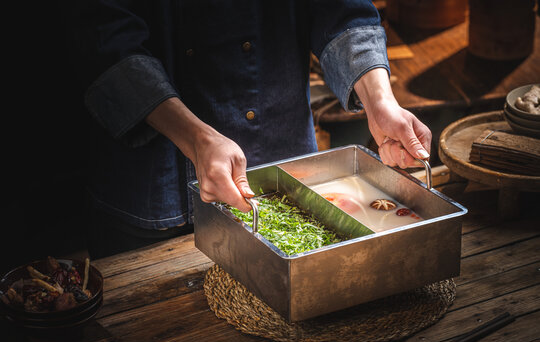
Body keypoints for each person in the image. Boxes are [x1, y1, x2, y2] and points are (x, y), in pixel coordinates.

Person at [64, 0, 431, 258]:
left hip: (282, 160)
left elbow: (341, 9)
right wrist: (195, 137)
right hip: (152, 185)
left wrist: (379, 101)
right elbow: (104, 37)